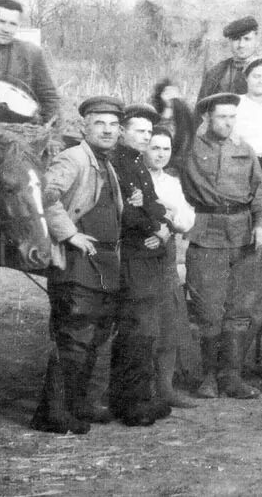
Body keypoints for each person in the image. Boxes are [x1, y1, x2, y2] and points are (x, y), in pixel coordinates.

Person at [32, 97, 161, 434]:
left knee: (93, 337)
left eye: (113, 125)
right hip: (76, 263)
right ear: (84, 127)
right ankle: (53, 413)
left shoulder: (105, 163)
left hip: (103, 263)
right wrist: (69, 233)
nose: (107, 130)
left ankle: (77, 405)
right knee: (73, 337)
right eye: (99, 123)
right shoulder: (73, 157)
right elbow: (44, 195)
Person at [181, 92, 262, 399]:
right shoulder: (189, 148)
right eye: (222, 116)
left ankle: (231, 376)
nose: (228, 122)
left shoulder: (245, 150)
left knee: (240, 308)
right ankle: (208, 377)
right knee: (208, 308)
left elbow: (260, 194)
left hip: (243, 235)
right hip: (206, 232)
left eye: (233, 116)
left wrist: (261, 226)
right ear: (207, 117)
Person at [105, 103, 175, 424]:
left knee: (142, 329)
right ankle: (133, 406)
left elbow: (155, 206)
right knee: (138, 329)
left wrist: (160, 223)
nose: (146, 137)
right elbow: (126, 214)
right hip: (131, 257)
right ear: (122, 131)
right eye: (139, 130)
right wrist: (155, 226)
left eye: (150, 131)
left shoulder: (137, 163)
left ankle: (128, 400)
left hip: (146, 257)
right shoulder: (118, 163)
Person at [144, 126, 198, 408]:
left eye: (166, 149)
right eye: (155, 148)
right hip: (136, 252)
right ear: (144, 148)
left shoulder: (171, 182)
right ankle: (137, 387)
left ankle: (165, 388)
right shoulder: (131, 178)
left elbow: (187, 219)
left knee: (170, 320)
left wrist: (171, 215)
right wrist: (166, 211)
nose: (161, 154)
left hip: (164, 255)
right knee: (139, 323)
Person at [197, 16, 262, 100]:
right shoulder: (216, 72)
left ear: (256, 41)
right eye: (236, 39)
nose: (241, 45)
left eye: (247, 39)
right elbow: (201, 108)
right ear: (230, 41)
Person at [151, 78, 194, 173]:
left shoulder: (184, 116)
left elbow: (187, 144)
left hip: (178, 165)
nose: (170, 96)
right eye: (167, 92)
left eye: (173, 92)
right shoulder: (154, 116)